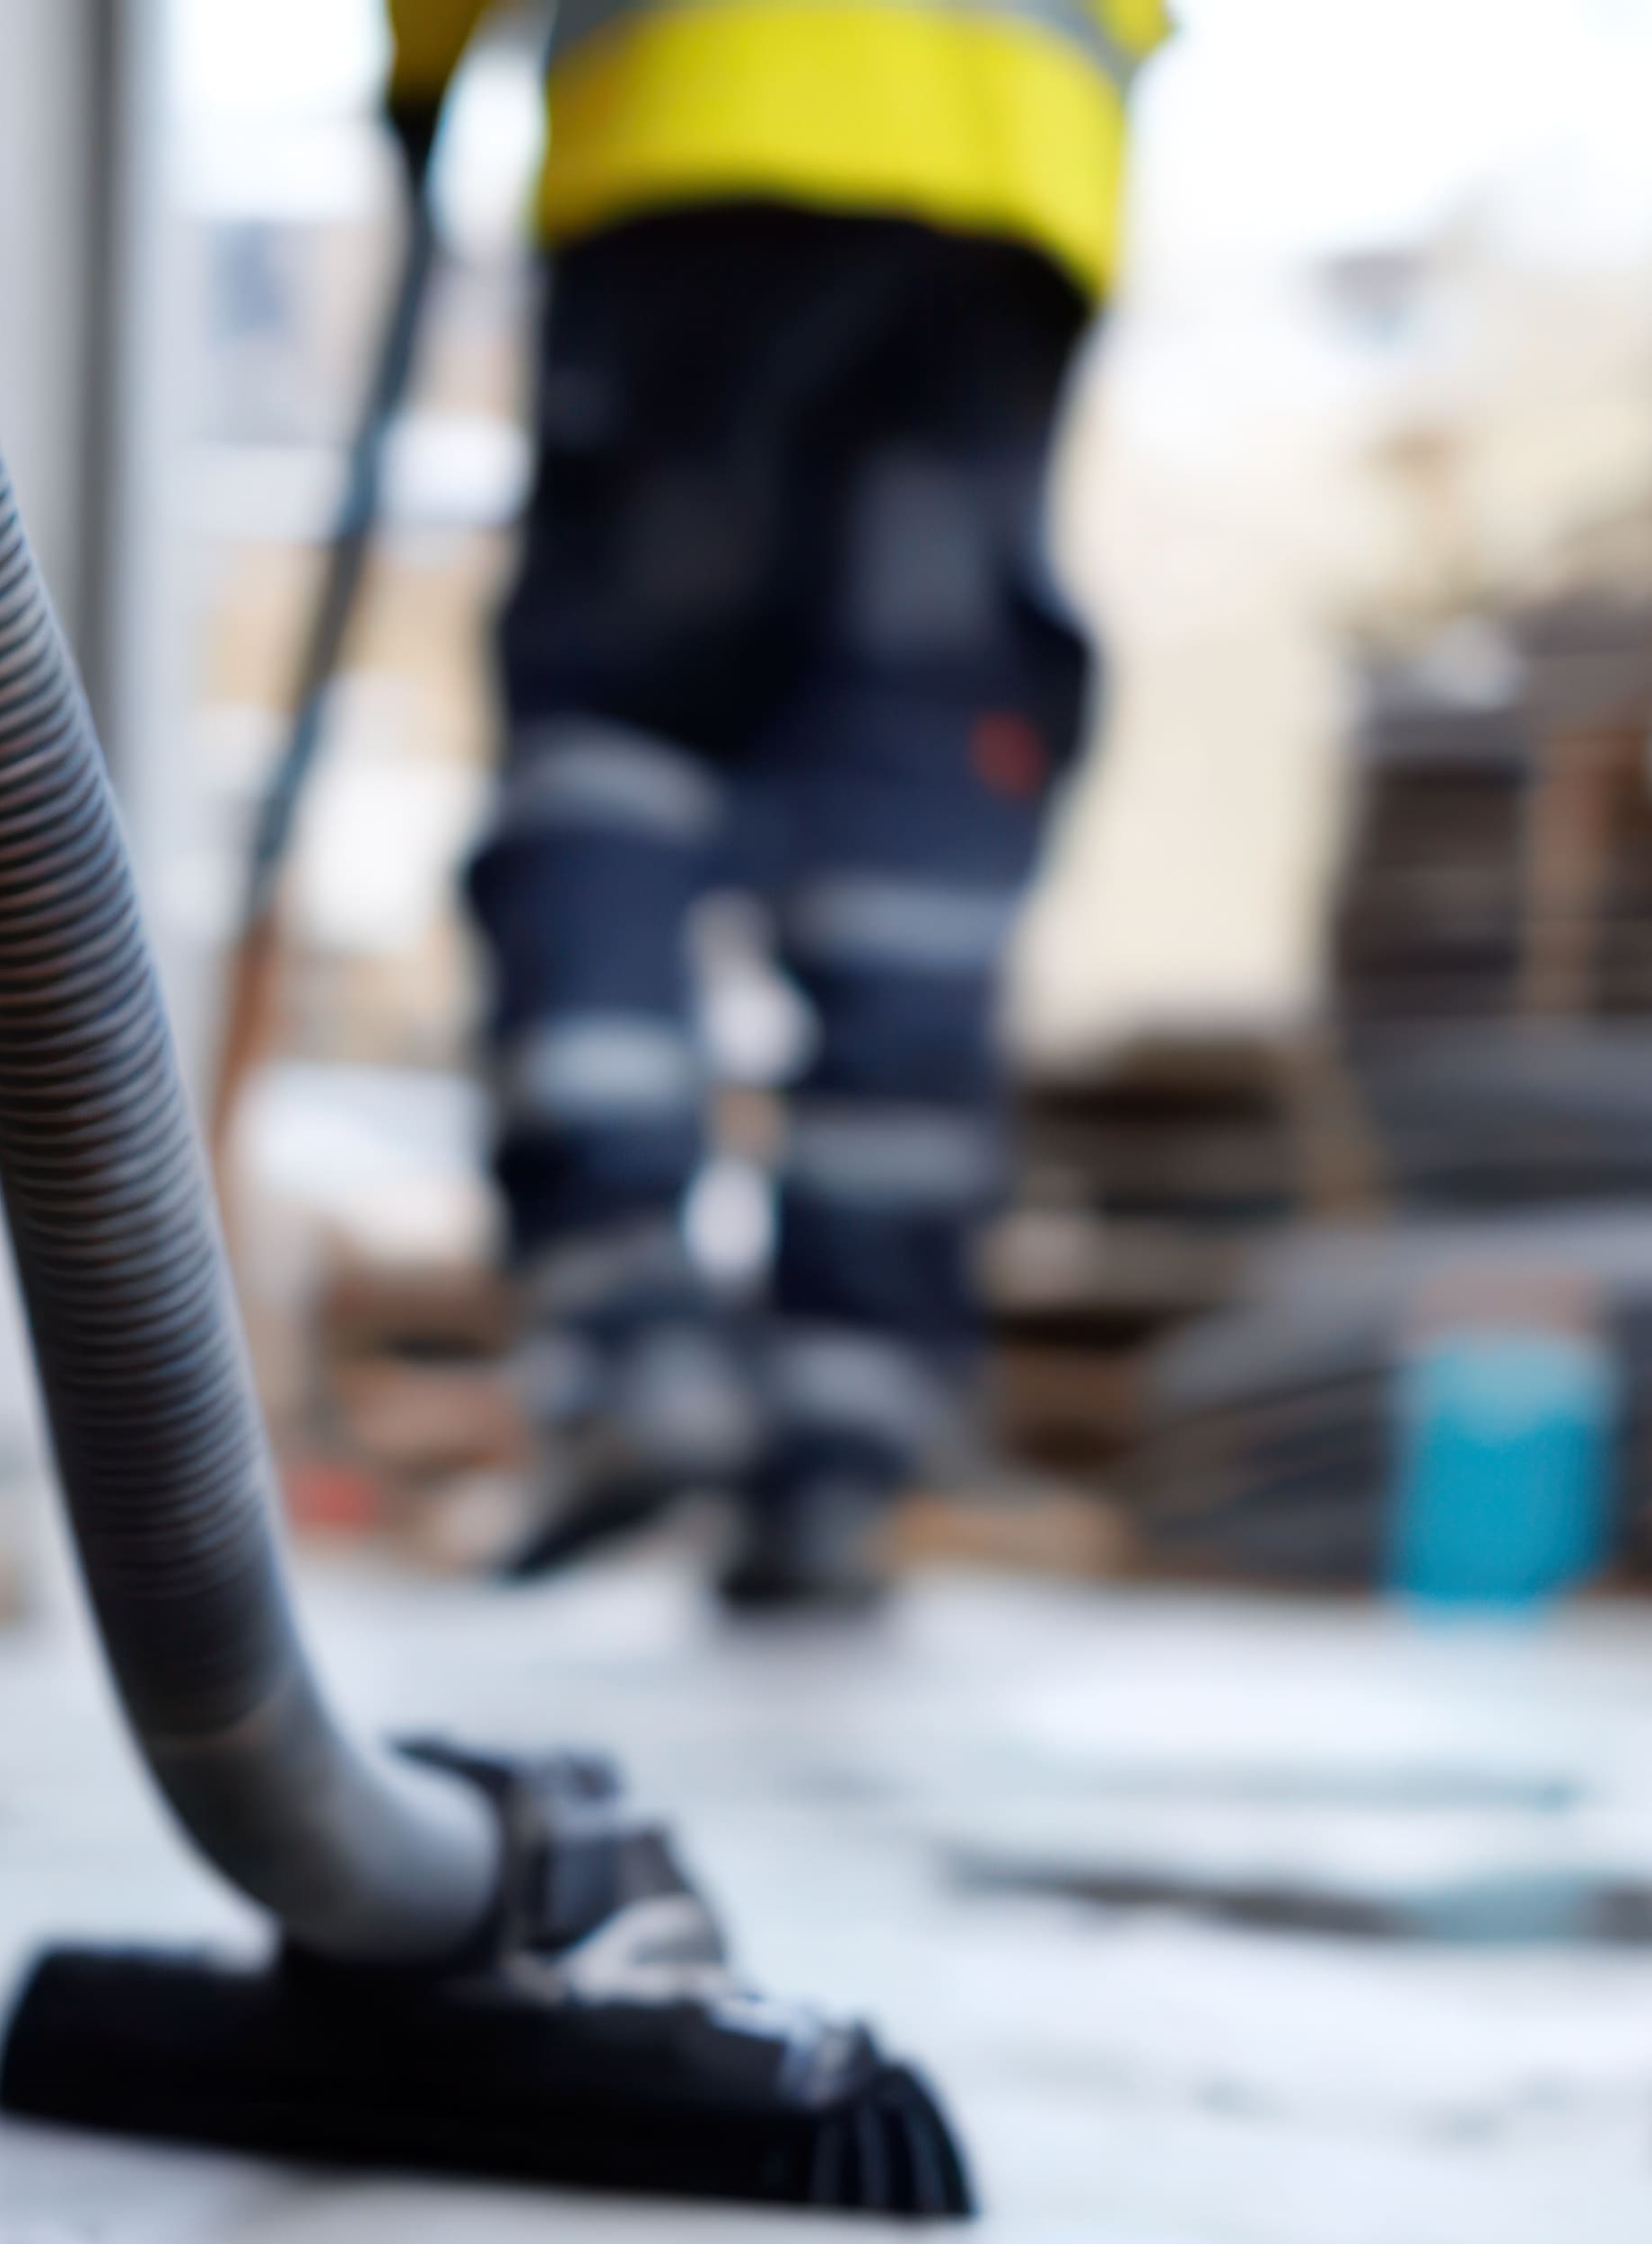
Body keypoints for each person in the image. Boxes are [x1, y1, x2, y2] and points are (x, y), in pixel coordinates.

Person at [388, 0, 1163, 1603]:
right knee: (915, 813)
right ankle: (842, 1441)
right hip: (1012, 186)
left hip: (706, 135)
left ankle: (626, 1345)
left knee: (618, 744)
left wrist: (415, 82)